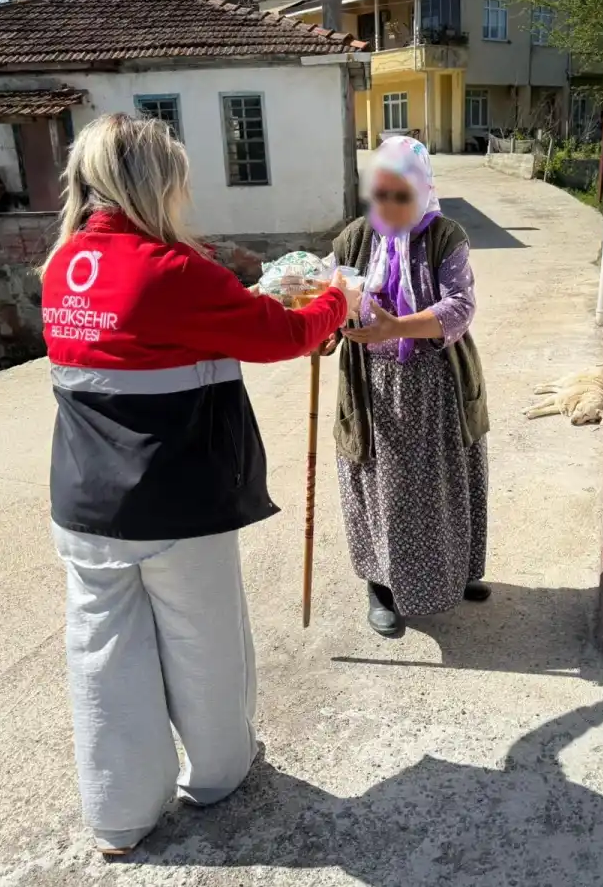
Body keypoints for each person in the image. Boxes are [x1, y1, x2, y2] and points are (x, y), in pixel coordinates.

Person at [40, 113, 360, 856]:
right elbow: (281, 334)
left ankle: (118, 818)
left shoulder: (62, 267)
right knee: (204, 643)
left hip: (85, 503)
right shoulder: (171, 272)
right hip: (174, 502)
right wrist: (335, 299)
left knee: (101, 658)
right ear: (155, 183)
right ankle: (217, 776)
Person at [326, 136, 490, 637]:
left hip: (435, 389)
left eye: (402, 196)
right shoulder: (353, 240)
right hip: (370, 390)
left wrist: (394, 327)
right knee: (381, 490)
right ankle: (381, 588)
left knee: (441, 487)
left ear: (423, 191)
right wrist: (322, 324)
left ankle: (452, 574)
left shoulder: (446, 235)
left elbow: (459, 306)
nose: (391, 207)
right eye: (381, 195)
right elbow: (332, 301)